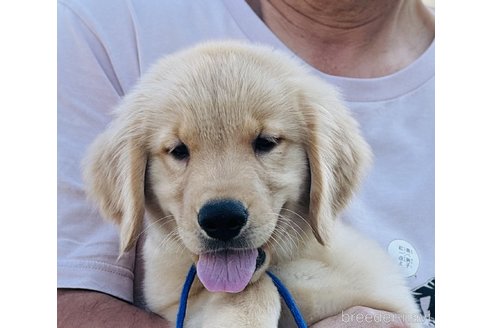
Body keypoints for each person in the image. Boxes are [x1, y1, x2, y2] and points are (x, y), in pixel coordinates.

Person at [57, 0, 435, 327]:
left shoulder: (355, 267)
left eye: (266, 143)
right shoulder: (100, 23)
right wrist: (245, 302)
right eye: (179, 151)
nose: (221, 197)